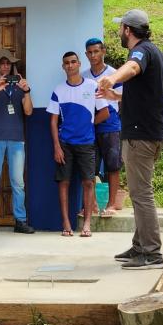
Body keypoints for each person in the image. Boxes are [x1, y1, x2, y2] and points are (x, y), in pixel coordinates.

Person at [97, 10, 163, 269]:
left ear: (128, 30)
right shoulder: (157, 53)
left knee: (141, 194)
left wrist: (113, 78)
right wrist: (117, 97)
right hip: (148, 132)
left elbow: (132, 66)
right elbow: (146, 94)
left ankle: (151, 252)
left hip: (141, 134)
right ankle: (140, 245)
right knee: (140, 192)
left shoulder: (141, 52)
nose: (119, 33)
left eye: (120, 29)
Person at [48, 52, 110, 238]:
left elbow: (105, 113)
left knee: (88, 182)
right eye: (66, 63)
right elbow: (53, 121)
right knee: (63, 183)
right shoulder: (59, 90)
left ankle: (87, 224)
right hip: (65, 144)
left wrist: (88, 125)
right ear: (63, 66)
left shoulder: (92, 86)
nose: (70, 65)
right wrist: (57, 147)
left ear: (79, 64)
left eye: (73, 62)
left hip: (87, 143)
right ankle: (66, 223)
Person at [0, 49, 36, 235]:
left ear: (12, 65)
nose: (5, 66)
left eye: (8, 63)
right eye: (2, 63)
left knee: (18, 183)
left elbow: (28, 111)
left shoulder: (20, 86)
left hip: (17, 139)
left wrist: (26, 91)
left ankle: (20, 221)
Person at [82, 37, 124, 214]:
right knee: (90, 166)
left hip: (110, 123)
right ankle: (91, 206)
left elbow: (122, 98)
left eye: (96, 51)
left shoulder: (114, 74)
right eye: (90, 52)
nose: (93, 55)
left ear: (103, 52)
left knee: (112, 164)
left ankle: (112, 204)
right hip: (90, 123)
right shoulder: (84, 76)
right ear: (86, 54)